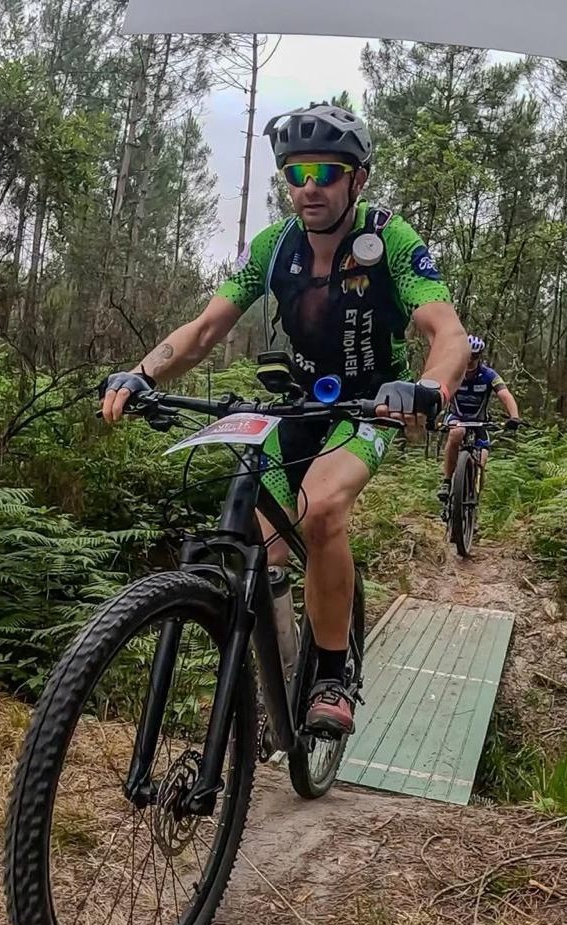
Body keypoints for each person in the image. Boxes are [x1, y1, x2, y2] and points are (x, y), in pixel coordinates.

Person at [101, 103, 469, 736]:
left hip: (370, 406)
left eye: (326, 172)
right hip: (297, 403)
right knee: (263, 548)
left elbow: (448, 332)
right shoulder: (275, 248)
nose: (309, 187)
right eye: (296, 174)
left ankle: (332, 674)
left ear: (358, 179)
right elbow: (206, 328)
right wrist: (142, 373)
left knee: (321, 510)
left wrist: (429, 386)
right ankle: (282, 681)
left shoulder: (391, 241)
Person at [437, 335, 520, 502]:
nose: (470, 360)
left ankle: (473, 500)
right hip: (457, 416)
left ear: (479, 356)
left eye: (474, 356)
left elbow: (505, 395)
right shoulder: (452, 372)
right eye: (467, 355)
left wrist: (514, 417)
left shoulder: (489, 375)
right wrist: (430, 415)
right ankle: (447, 481)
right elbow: (438, 394)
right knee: (456, 433)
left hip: (480, 421)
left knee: (482, 460)